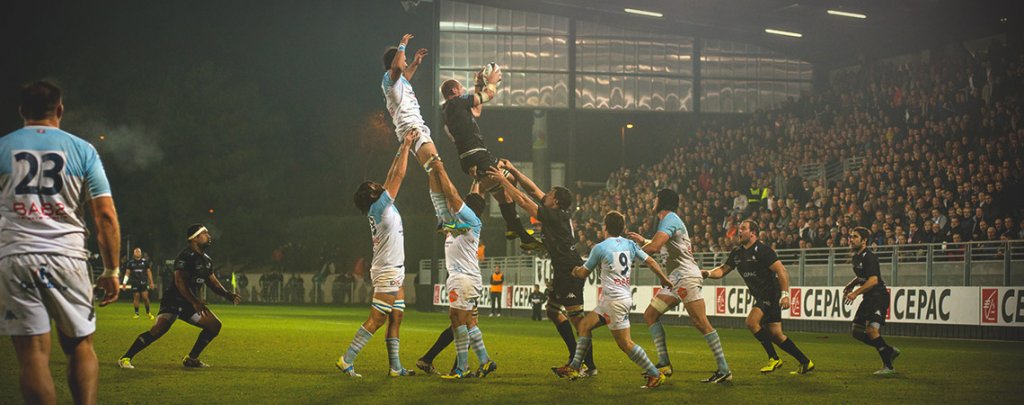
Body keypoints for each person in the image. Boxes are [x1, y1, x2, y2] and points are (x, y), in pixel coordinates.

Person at [0, 80, 121, 405]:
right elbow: (105, 215)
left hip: (15, 257)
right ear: (60, 109)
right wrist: (111, 270)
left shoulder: (3, 147)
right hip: (66, 256)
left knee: (33, 356)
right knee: (80, 346)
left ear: (22, 111)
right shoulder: (82, 150)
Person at [488, 163, 597, 376]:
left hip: (570, 271)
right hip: (562, 270)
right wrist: (514, 170)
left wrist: (502, 180)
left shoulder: (555, 216)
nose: (544, 195)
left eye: (549, 194)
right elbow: (532, 190)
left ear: (555, 201)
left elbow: (522, 200)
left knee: (578, 320)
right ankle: (577, 357)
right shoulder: (554, 211)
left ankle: (588, 366)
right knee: (553, 311)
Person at [552, 211, 672, 389]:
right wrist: (663, 279)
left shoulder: (600, 248)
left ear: (605, 227)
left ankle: (655, 374)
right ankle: (575, 367)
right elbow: (651, 262)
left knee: (625, 344)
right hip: (613, 300)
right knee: (584, 326)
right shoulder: (630, 244)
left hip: (615, 302)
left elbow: (583, 273)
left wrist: (573, 270)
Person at [625, 189, 732, 383]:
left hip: (686, 277)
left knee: (700, 322)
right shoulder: (669, 220)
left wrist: (625, 254)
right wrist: (644, 241)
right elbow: (664, 244)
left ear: (662, 201)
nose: (653, 201)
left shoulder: (670, 218)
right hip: (675, 280)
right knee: (650, 314)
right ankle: (664, 363)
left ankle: (724, 369)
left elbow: (656, 247)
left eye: (655, 198)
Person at [337, 131, 417, 378]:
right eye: (375, 186)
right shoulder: (381, 205)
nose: (379, 185)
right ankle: (346, 359)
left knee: (397, 316)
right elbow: (399, 176)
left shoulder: (379, 205)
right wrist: (407, 147)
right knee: (378, 318)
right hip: (388, 269)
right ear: (373, 195)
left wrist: (401, 147)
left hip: (395, 267)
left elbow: (391, 175)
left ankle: (395, 367)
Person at [439, 69, 542, 251]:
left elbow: (476, 112)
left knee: (502, 190)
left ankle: (516, 231)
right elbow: (489, 95)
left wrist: (478, 83)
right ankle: (455, 221)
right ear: (454, 92)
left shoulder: (447, 109)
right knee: (507, 180)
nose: (464, 91)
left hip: (468, 156)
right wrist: (491, 81)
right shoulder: (457, 101)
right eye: (462, 89)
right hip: (478, 154)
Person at [117, 224, 241, 369]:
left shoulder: (207, 260)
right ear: (194, 238)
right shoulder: (185, 257)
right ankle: (125, 358)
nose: (209, 236)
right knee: (158, 331)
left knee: (214, 326)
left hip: (190, 303)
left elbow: (213, 283)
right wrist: (195, 301)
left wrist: (227, 295)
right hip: (174, 300)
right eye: (205, 233)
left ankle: (191, 359)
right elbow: (179, 281)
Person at [702, 220, 815, 374]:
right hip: (761, 295)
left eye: (743, 229)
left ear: (753, 232)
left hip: (771, 294)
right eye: (739, 229)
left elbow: (781, 271)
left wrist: (785, 295)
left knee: (751, 322)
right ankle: (805, 362)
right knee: (776, 334)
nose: (738, 232)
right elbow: (722, 270)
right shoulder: (737, 253)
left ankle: (774, 358)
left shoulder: (763, 251)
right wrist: (708, 273)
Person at [428, 159, 497, 379]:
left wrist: (440, 169)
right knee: (467, 322)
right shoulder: (465, 220)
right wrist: (477, 180)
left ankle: (462, 367)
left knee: (457, 320)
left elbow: (453, 195)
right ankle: (485, 361)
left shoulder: (470, 218)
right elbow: (463, 198)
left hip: (464, 278)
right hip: (464, 278)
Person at [381, 33, 453, 232]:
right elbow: (397, 68)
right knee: (436, 166)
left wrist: (415, 63)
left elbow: (405, 75)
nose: (404, 61)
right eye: (403, 58)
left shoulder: (400, 81)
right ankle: (445, 216)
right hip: (412, 129)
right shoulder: (389, 78)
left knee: (434, 168)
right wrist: (402, 44)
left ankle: (443, 217)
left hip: (416, 127)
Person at [843, 227, 901, 375]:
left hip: (878, 297)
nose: (851, 239)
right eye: (850, 236)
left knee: (871, 330)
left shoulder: (869, 257)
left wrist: (855, 293)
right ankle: (888, 350)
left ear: (864, 241)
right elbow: (862, 276)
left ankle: (888, 366)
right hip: (868, 298)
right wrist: (851, 284)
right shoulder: (856, 257)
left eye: (855, 237)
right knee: (856, 332)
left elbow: (873, 280)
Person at [123, 247, 155, 319]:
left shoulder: (145, 262)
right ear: (134, 253)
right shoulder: (130, 263)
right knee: (136, 297)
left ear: (141, 253)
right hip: (135, 282)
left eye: (139, 252)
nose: (137, 253)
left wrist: (151, 282)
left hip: (143, 282)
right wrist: (124, 283)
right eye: (136, 252)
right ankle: (136, 313)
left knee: (145, 298)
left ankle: (148, 312)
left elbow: (149, 272)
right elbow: (127, 273)